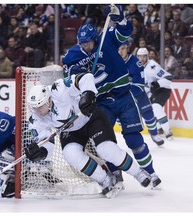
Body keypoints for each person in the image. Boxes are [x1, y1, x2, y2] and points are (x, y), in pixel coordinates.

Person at [61, 4, 161, 188]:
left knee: (134, 139)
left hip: (123, 96)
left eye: (89, 43)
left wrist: (119, 18)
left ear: (94, 39)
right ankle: (116, 175)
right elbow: (69, 79)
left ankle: (151, 172)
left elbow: (126, 31)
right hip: (101, 103)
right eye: (83, 44)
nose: (87, 47)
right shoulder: (71, 56)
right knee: (106, 142)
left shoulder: (105, 39)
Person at [24, 73, 151, 199]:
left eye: (39, 107)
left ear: (49, 100)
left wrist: (88, 94)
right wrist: (41, 153)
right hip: (71, 131)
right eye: (34, 108)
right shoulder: (35, 118)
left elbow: (85, 77)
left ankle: (138, 172)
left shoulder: (59, 89)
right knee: (70, 154)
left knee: (105, 149)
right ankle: (105, 179)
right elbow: (47, 143)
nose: (37, 111)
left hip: (90, 118)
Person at [118, 43, 164, 146]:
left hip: (138, 94)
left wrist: (129, 96)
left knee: (149, 115)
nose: (120, 52)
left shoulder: (135, 62)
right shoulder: (114, 61)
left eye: (123, 49)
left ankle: (154, 135)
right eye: (118, 49)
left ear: (128, 49)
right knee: (121, 118)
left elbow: (139, 84)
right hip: (122, 97)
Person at [137, 48, 173, 140]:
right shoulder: (137, 67)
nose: (142, 59)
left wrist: (158, 84)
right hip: (151, 92)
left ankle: (168, 132)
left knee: (156, 107)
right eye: (140, 56)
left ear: (147, 56)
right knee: (147, 111)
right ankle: (159, 128)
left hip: (163, 89)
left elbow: (169, 77)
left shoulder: (153, 66)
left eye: (144, 56)